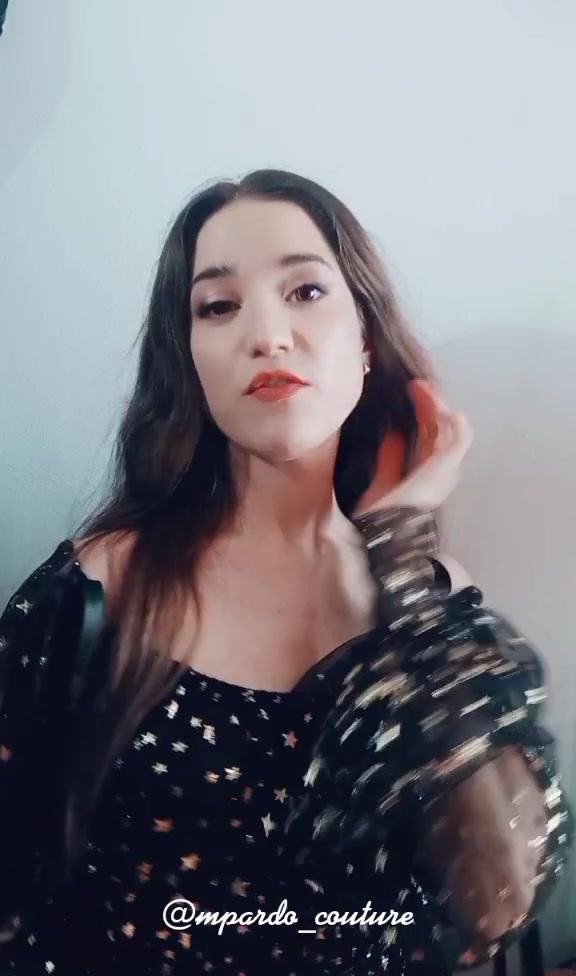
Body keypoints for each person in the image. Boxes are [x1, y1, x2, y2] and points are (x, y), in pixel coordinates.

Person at [0, 169, 572, 976]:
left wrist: (399, 550)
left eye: (305, 291)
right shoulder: (99, 588)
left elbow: (500, 898)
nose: (267, 335)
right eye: (218, 306)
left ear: (365, 342)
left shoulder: (429, 602)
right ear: (189, 359)